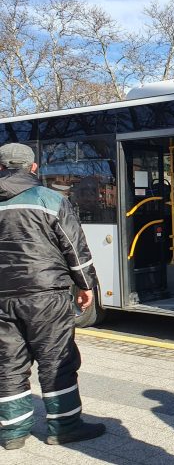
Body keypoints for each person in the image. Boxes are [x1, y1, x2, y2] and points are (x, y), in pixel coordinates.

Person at [0, 143, 105, 450]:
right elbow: (74, 247)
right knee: (56, 358)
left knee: (7, 362)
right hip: (47, 295)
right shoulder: (49, 199)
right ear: (33, 168)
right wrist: (87, 286)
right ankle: (65, 426)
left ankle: (12, 432)